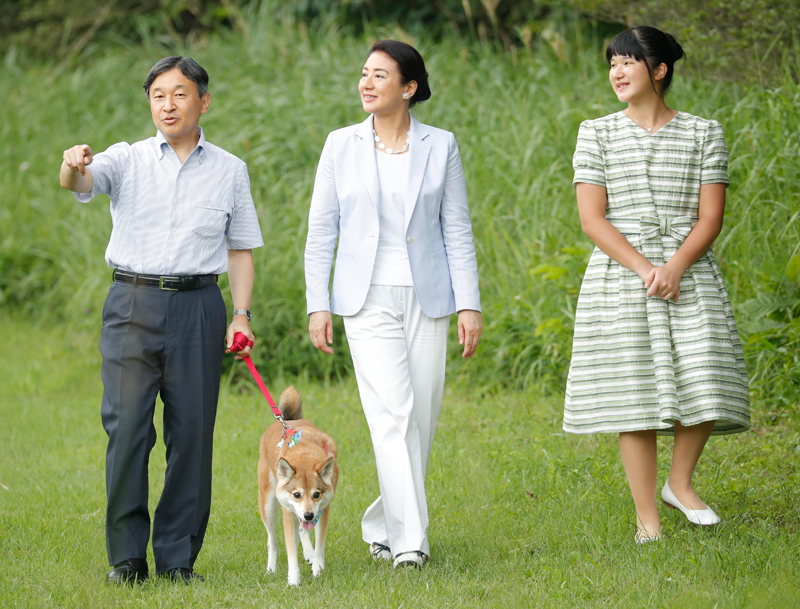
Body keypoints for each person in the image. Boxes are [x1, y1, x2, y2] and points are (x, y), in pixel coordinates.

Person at [59, 56, 263, 584]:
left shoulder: (229, 170)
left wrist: (240, 314)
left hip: (199, 306)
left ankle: (177, 560)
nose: (167, 105)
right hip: (132, 304)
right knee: (127, 430)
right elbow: (79, 181)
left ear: (203, 100)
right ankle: (126, 558)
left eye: (179, 94)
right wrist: (73, 162)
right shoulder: (125, 159)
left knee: (192, 435)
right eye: (157, 95)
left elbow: (240, 249)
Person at [563, 26, 750, 543]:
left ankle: (679, 484)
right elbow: (592, 220)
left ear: (659, 70)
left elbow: (710, 217)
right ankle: (648, 520)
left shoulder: (703, 132)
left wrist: (676, 266)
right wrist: (647, 268)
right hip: (621, 275)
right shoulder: (595, 132)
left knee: (708, 373)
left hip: (690, 271)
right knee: (636, 395)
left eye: (628, 62)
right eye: (612, 63)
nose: (617, 73)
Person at [304, 40, 482, 569]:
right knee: (394, 415)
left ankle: (383, 520)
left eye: (380, 75)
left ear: (408, 88)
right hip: (364, 298)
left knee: (419, 421)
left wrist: (468, 303)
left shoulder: (441, 145)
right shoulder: (340, 145)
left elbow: (457, 228)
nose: (366, 82)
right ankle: (411, 544)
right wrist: (319, 303)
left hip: (429, 296)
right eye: (364, 73)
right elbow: (321, 231)